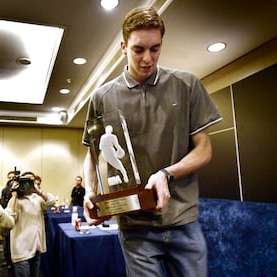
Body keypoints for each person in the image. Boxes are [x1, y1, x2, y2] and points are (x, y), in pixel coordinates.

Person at [82, 6, 222, 277]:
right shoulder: (101, 97)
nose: (148, 58)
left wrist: (166, 174)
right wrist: (91, 191)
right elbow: (92, 154)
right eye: (138, 49)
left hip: (184, 221)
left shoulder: (187, 84)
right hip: (135, 227)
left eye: (155, 49)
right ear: (123, 46)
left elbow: (204, 149)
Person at [5, 171, 54, 277]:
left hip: (36, 248)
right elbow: (8, 219)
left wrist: (38, 191)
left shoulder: (37, 199)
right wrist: (14, 195)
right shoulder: (16, 201)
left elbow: (51, 202)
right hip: (21, 251)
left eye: (30, 182)